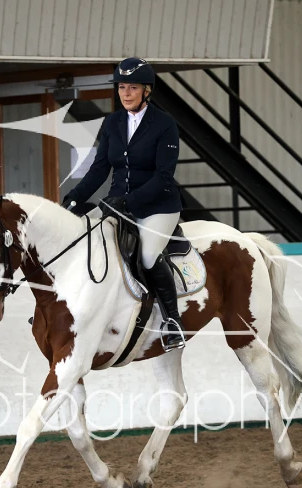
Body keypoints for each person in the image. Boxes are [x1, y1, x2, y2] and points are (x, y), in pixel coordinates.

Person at [61, 57, 185, 351]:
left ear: (147, 90)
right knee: (84, 246)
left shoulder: (165, 125)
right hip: (117, 204)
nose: (126, 93)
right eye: (122, 87)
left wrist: (128, 201)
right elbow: (100, 168)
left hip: (158, 206)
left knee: (148, 256)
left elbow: (164, 176)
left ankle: (173, 322)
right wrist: (74, 197)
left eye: (132, 87)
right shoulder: (113, 122)